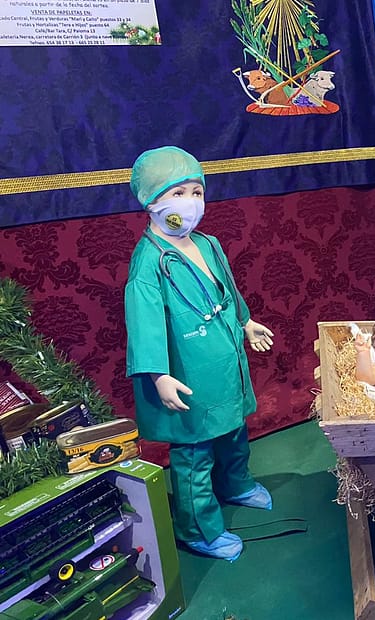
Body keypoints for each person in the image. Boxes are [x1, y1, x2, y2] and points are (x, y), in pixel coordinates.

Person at [124, 146, 275, 561]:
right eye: (177, 193)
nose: (189, 203)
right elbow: (144, 324)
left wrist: (245, 321)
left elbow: (227, 290)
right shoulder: (149, 264)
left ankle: (236, 484)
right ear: (151, 201)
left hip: (224, 362)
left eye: (196, 192)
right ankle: (198, 529)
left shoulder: (208, 244)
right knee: (195, 450)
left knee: (232, 427)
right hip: (187, 372)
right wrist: (158, 374)